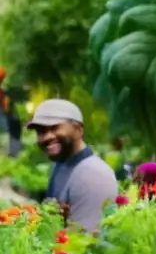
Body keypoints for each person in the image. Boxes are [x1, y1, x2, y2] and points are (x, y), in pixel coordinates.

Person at [27, 99, 118, 234]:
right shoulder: (60, 165)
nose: (47, 137)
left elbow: (85, 243)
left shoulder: (92, 174)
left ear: (78, 129)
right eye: (41, 131)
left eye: (54, 128)